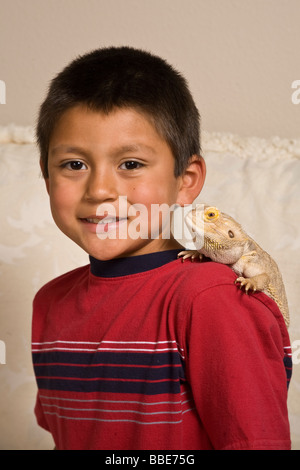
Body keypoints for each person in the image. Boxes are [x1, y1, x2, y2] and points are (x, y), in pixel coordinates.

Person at [32, 46, 291, 450]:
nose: (100, 190)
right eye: (74, 165)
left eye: (131, 164)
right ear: (47, 179)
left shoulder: (214, 299)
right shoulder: (49, 303)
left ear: (186, 180)